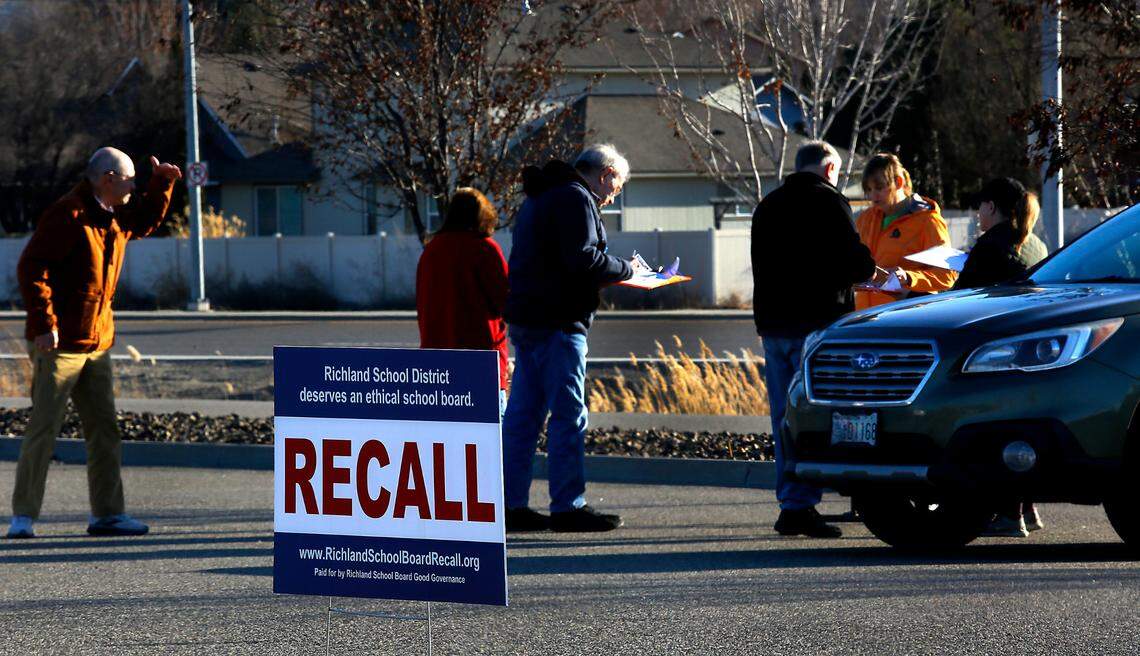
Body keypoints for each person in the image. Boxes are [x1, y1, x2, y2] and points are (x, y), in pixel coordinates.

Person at [6, 147, 181, 539]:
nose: (134, 186)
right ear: (108, 179)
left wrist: (163, 184)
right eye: (130, 180)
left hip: (98, 343)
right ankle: (23, 517)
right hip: (60, 345)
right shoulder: (68, 214)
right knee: (43, 428)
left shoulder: (115, 216)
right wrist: (43, 324)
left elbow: (148, 220)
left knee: (104, 430)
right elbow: (31, 267)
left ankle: (108, 515)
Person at [500, 144, 634, 533]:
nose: (614, 195)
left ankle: (511, 505)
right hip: (559, 323)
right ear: (606, 173)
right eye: (617, 185)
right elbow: (583, 259)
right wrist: (627, 270)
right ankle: (567, 506)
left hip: (528, 320)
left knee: (523, 418)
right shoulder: (576, 198)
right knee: (568, 416)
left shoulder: (539, 196)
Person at [752, 140, 879, 538]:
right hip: (817, 326)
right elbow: (855, 261)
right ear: (828, 170)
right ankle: (804, 505)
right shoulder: (829, 202)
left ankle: (792, 502)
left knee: (783, 418)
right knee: (819, 415)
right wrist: (869, 268)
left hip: (774, 326)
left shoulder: (767, 206)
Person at [954, 178, 1048, 538]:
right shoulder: (1035, 243)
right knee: (1024, 429)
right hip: (1036, 351)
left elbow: (962, 299)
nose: (978, 213)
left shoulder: (991, 246)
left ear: (991, 207)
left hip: (998, 353)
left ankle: (1010, 513)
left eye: (981, 207)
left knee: (997, 431)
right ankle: (1027, 507)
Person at [415, 187, 510, 409]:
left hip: (436, 363)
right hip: (480, 360)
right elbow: (506, 302)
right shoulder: (484, 248)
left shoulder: (431, 251)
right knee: (492, 437)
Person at [856, 153, 956, 309]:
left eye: (879, 188)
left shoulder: (928, 221)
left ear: (899, 182)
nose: (872, 196)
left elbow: (947, 275)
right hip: (862, 320)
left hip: (904, 321)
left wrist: (908, 277)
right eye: (869, 189)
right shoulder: (865, 219)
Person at [954, 179, 1047, 290]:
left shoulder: (987, 248)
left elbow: (960, 296)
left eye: (980, 205)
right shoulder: (1039, 245)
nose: (978, 212)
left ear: (991, 207)